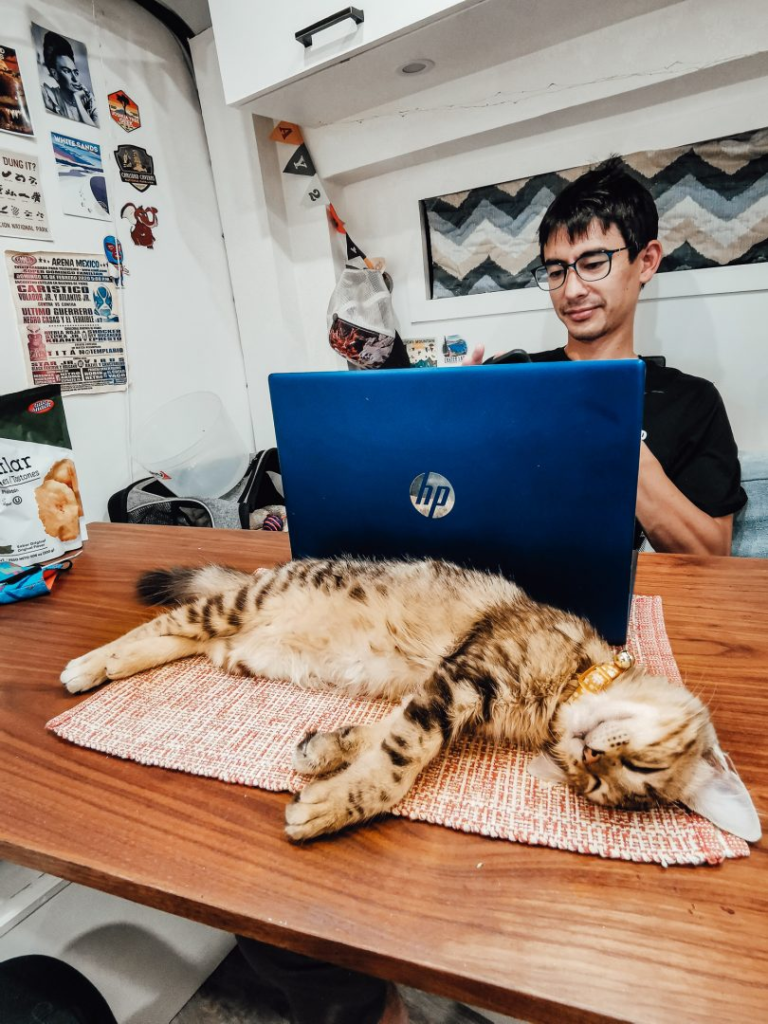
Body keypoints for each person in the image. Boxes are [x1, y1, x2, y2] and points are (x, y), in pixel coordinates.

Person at [465, 157, 746, 555]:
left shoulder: (692, 402)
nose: (572, 289)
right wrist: (453, 422)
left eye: (593, 263)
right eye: (557, 271)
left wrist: (619, 440)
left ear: (646, 261)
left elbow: (711, 555)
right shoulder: (512, 377)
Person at [41, 31, 99, 127]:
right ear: (55, 74)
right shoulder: (48, 96)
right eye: (67, 71)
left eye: (75, 72)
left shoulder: (90, 100)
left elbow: (96, 132)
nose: (75, 78)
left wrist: (78, 101)